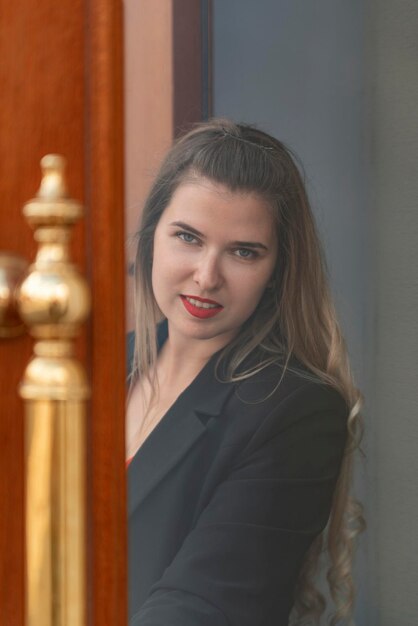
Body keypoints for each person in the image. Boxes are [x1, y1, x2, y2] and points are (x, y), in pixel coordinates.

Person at [126, 118, 364, 626]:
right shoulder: (91, 370)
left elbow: (202, 607)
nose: (207, 276)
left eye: (242, 252)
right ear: (151, 238)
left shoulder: (295, 410)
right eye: (188, 237)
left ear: (276, 270)